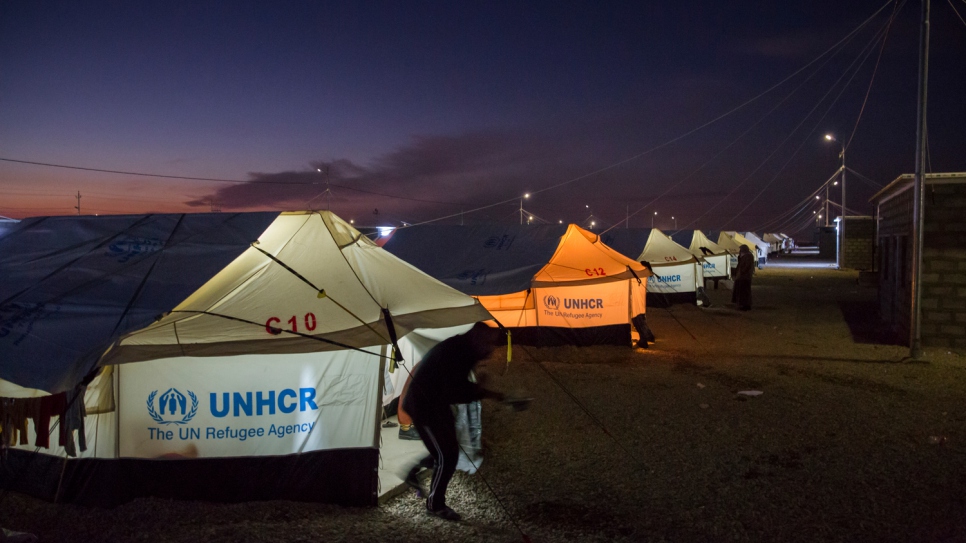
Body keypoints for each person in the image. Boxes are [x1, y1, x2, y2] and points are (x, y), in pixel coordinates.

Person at [401, 322, 504, 521]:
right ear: (477, 339)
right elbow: (455, 389)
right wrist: (484, 391)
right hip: (423, 405)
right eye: (489, 344)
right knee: (446, 455)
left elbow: (457, 387)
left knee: (447, 451)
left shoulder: (464, 349)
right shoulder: (459, 353)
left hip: (437, 403)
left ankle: (413, 472)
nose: (490, 350)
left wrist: (485, 392)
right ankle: (435, 505)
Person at [732, 244, 754, 310]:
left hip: (745, 277)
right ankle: (742, 305)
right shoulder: (745, 256)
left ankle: (745, 305)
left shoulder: (748, 256)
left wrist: (742, 272)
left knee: (745, 292)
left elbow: (747, 266)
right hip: (742, 277)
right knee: (741, 292)